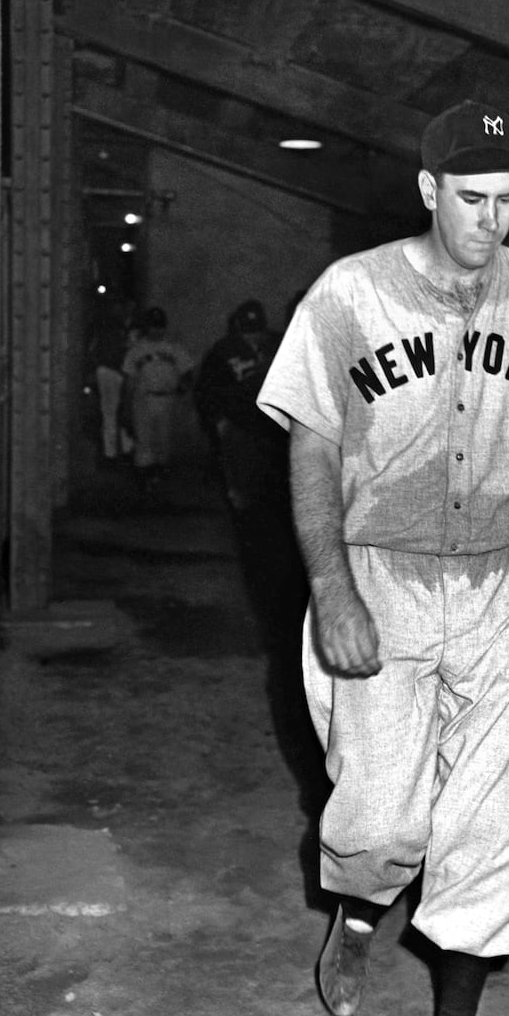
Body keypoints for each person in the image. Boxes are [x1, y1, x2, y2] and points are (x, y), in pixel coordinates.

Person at [256, 98, 509, 1016]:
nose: (489, 220)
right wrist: (330, 588)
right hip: (382, 574)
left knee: (497, 814)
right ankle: (360, 906)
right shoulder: (349, 295)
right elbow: (312, 441)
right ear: (427, 189)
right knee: (376, 815)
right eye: (470, 198)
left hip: (506, 579)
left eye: (504, 201)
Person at [195, 298, 309, 722]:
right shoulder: (224, 353)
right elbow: (208, 395)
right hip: (247, 443)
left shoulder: (285, 344)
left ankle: (288, 627)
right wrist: (219, 431)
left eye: (257, 332)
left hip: (283, 447)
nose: (254, 339)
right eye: (247, 332)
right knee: (260, 543)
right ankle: (273, 627)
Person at [120, 305, 193, 492]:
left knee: (164, 439)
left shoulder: (173, 348)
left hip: (167, 398)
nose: (156, 330)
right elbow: (129, 377)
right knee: (144, 439)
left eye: (159, 326)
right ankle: (146, 481)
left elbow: (187, 371)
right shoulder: (137, 349)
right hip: (143, 397)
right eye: (153, 326)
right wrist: (126, 404)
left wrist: (184, 389)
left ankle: (159, 479)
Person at [85, 298, 134, 464]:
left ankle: (121, 450)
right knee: (111, 411)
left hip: (119, 370)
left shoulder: (126, 326)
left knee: (121, 411)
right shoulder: (107, 326)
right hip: (109, 369)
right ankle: (112, 452)